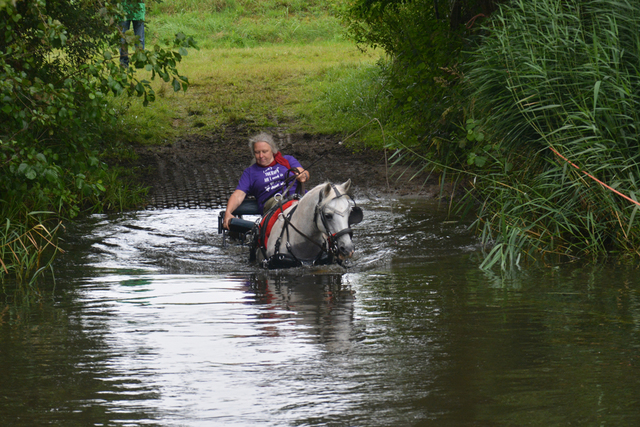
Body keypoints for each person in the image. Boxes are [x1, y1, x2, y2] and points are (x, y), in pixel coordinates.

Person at [223, 132, 309, 230]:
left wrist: (302, 176)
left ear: (272, 150)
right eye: (257, 152)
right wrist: (228, 213)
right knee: (281, 204)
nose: (261, 156)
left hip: (298, 198)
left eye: (264, 151)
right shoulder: (250, 172)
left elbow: (304, 173)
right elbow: (238, 195)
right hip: (273, 203)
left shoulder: (287, 160)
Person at [120, 1, 145, 68]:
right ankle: (123, 62)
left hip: (138, 10)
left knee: (139, 39)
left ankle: (139, 62)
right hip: (124, 9)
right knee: (123, 38)